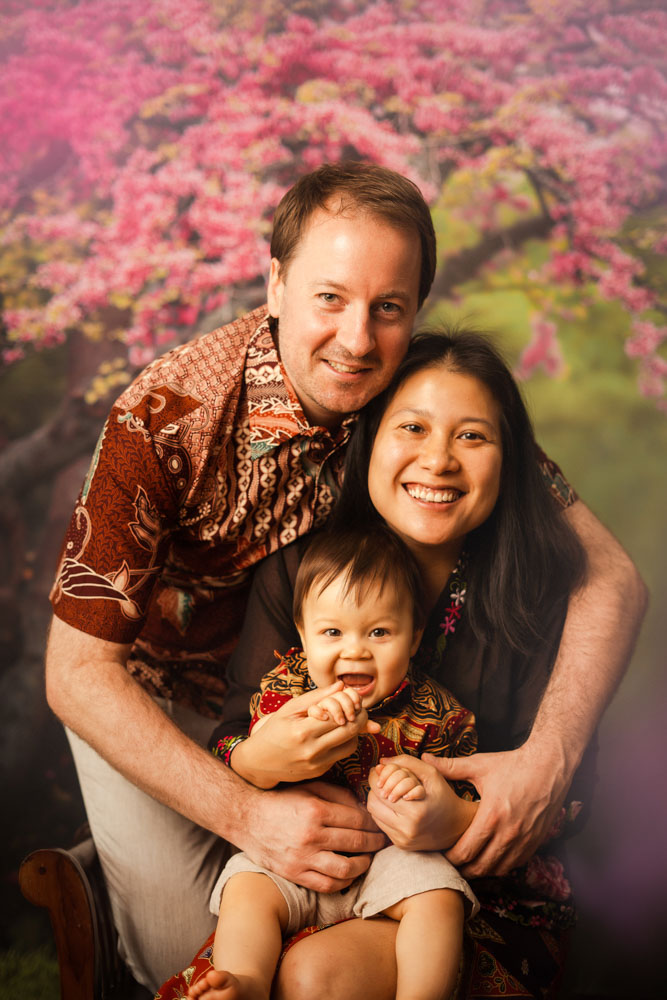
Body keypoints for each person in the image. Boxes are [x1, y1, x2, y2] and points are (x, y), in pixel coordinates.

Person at [44, 160, 646, 991]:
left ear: (411, 311)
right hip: (154, 697)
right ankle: (110, 872)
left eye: (387, 308)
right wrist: (246, 812)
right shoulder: (163, 415)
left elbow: (611, 575)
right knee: (195, 951)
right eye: (329, 297)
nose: (357, 338)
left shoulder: (412, 390)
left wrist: (547, 757)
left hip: (327, 675)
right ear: (276, 283)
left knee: (315, 944)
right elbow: (77, 673)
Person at [155, 328, 640, 999]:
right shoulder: (299, 570)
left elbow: (569, 799)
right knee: (257, 960)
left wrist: (454, 820)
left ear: (511, 460)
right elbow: (232, 739)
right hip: (311, 872)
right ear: (369, 438)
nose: (437, 460)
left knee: (315, 974)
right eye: (410, 427)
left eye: (472, 436)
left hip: (470, 892)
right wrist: (263, 760)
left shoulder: (537, 597)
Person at [188, 526, 479, 1000]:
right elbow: (256, 745)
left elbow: (464, 788)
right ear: (303, 633)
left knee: (439, 896)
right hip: (294, 860)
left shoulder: (437, 712)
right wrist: (289, 735)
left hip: (392, 864)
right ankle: (247, 982)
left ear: (414, 635)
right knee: (246, 885)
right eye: (332, 632)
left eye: (380, 631)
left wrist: (424, 793)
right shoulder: (288, 689)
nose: (355, 648)